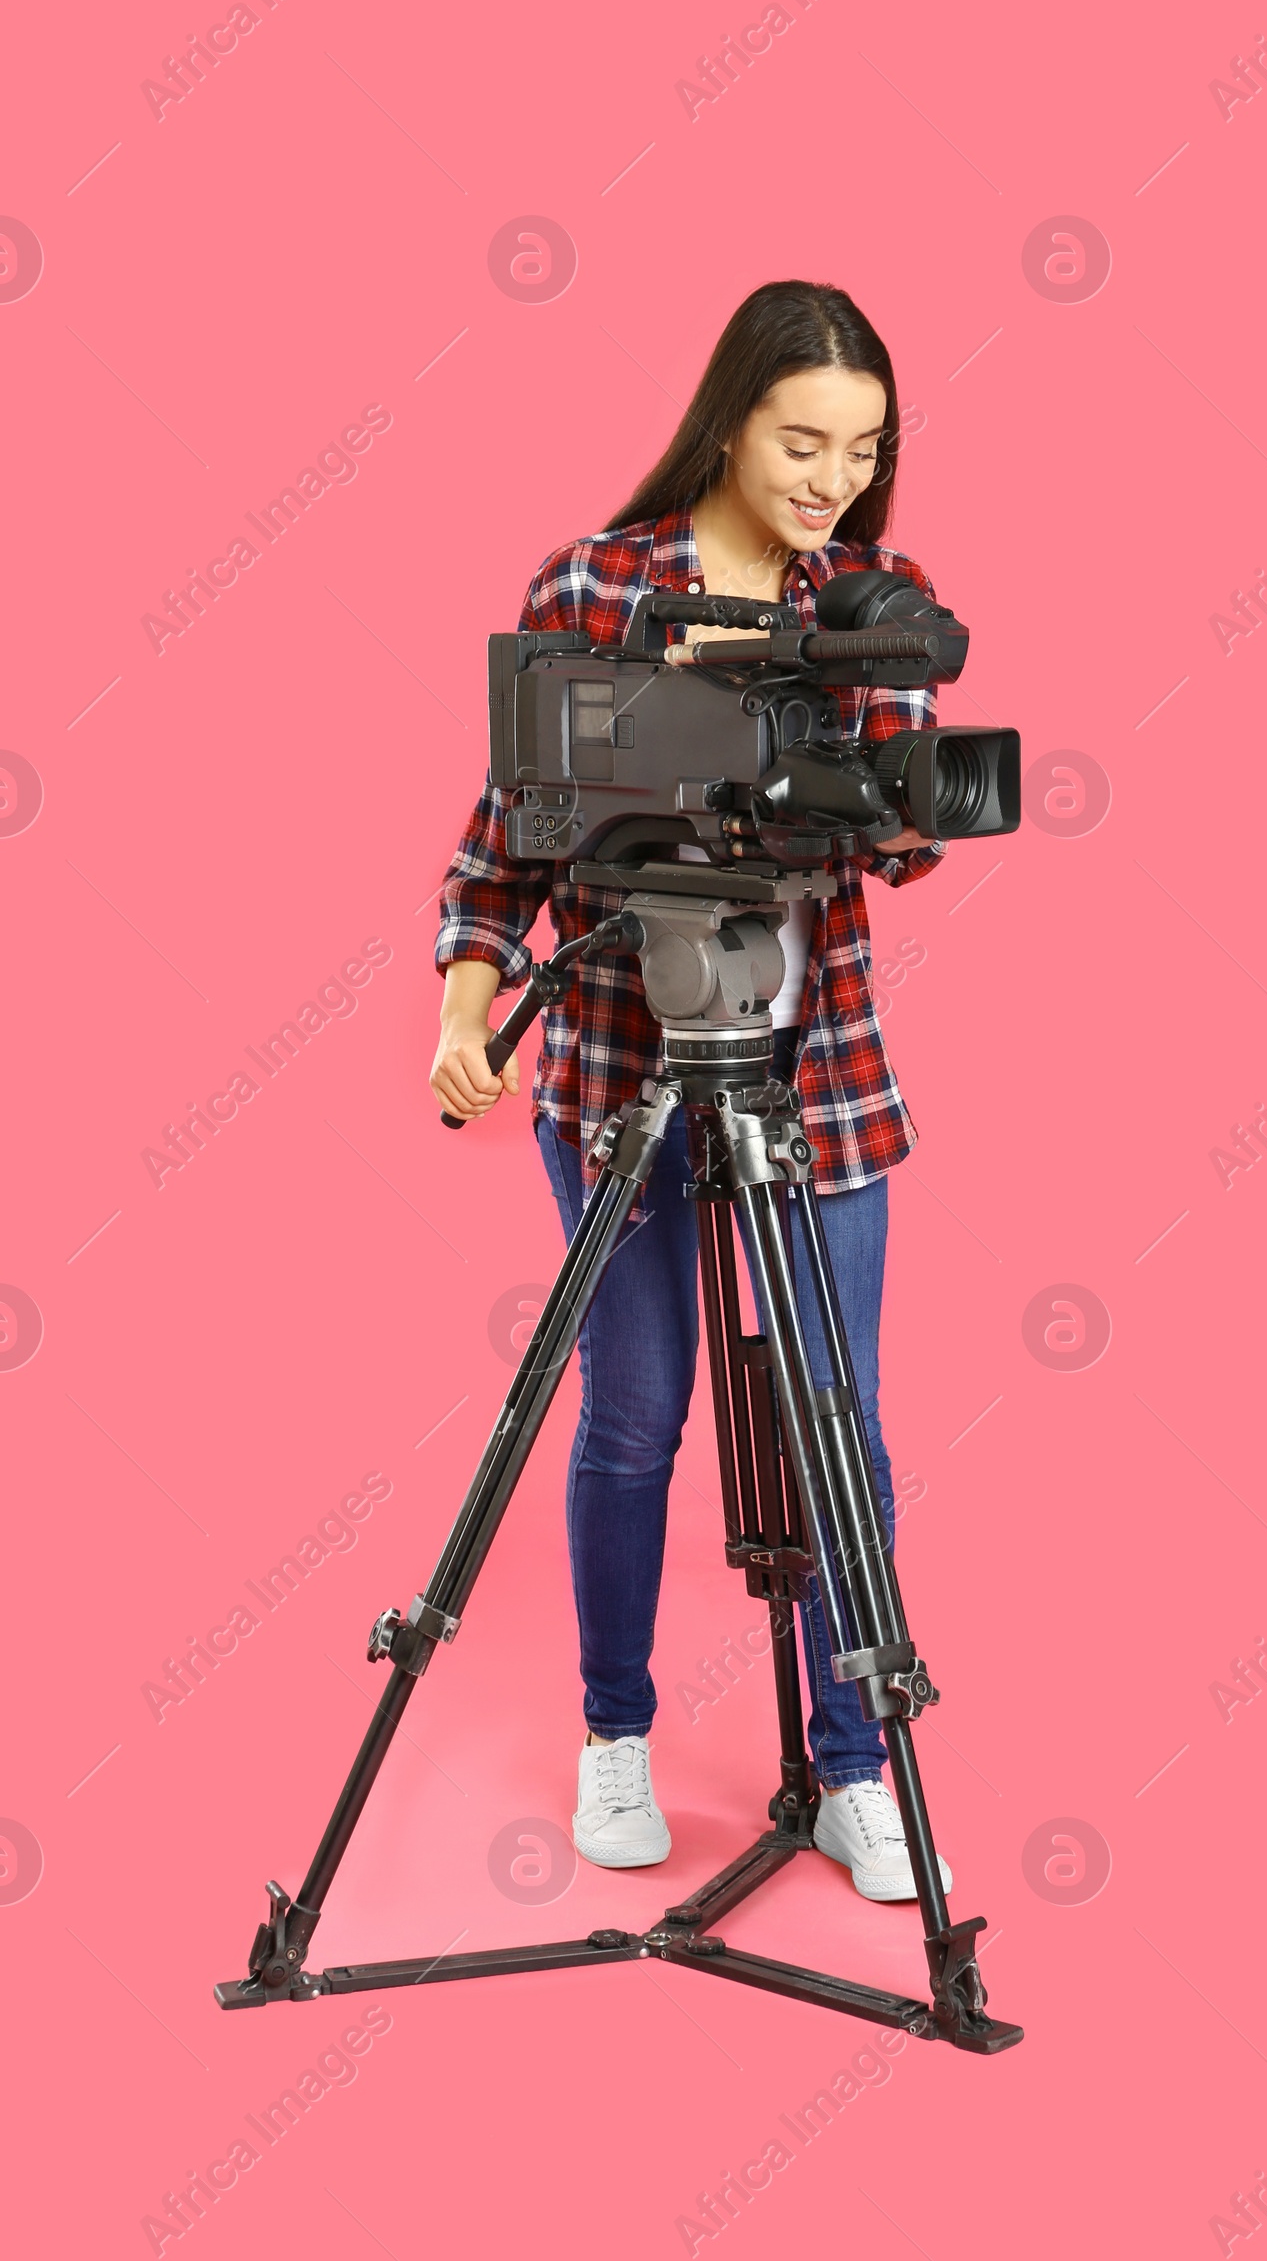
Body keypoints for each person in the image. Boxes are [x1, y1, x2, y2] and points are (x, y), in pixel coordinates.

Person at [431, 280, 952, 1902]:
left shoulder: (882, 593)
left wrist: (864, 758)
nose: (832, 482)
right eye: (806, 443)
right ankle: (615, 1735)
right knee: (636, 1418)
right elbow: (507, 834)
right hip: (621, 1062)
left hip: (818, 1070)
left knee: (836, 1419)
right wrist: (463, 1007)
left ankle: (857, 1763)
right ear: (731, 419)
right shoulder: (597, 581)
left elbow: (914, 834)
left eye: (862, 452)